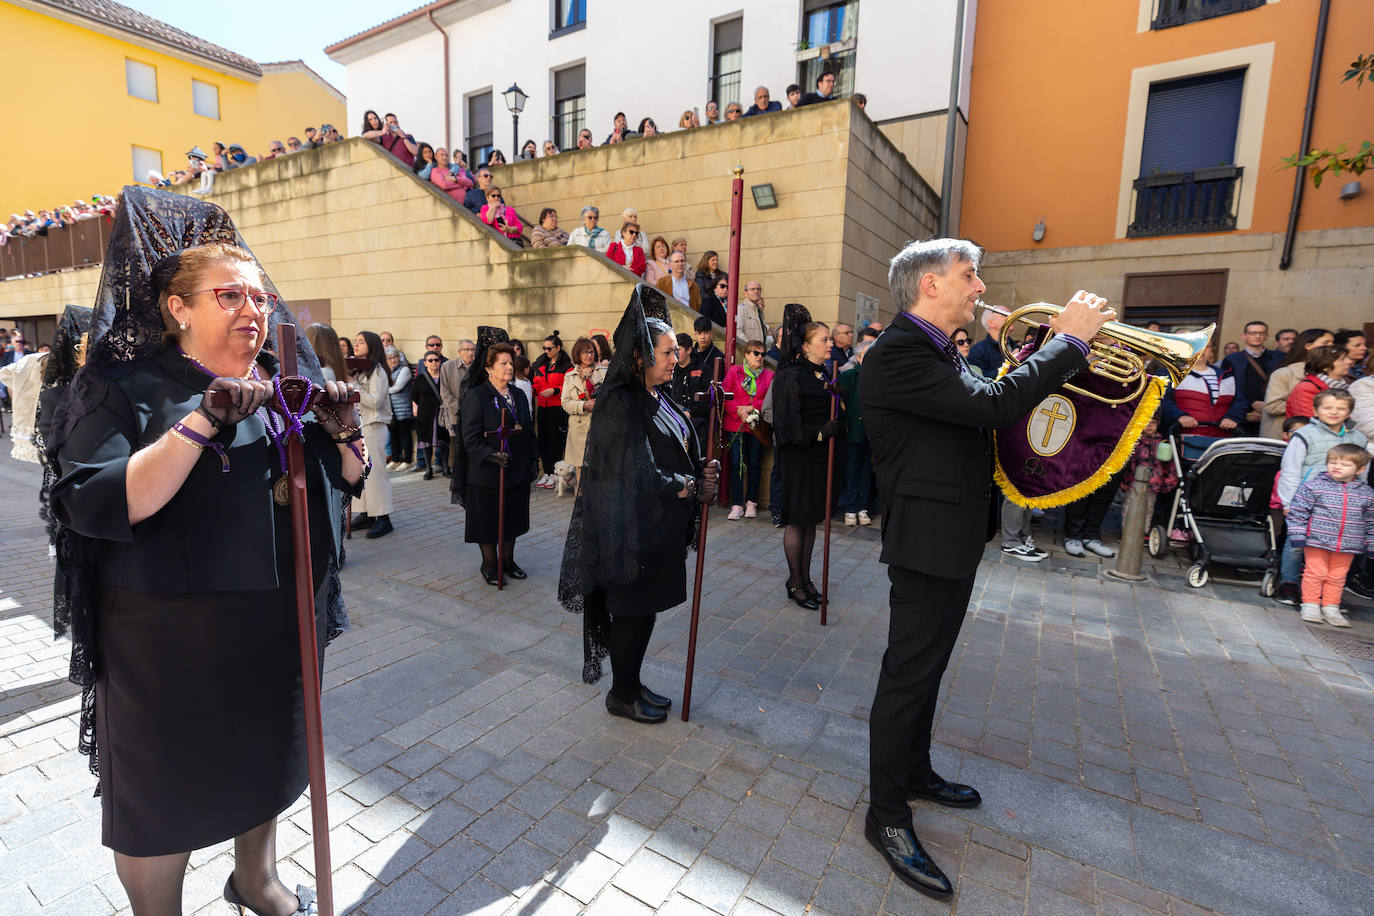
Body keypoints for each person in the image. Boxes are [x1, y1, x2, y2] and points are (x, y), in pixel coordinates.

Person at [47, 195, 364, 915]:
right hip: (168, 644)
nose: (254, 308)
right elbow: (99, 498)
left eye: (258, 294)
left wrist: (346, 434)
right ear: (178, 307)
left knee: (271, 763)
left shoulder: (285, 391)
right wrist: (202, 421)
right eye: (230, 295)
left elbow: (343, 484)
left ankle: (254, 878)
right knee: (165, 793)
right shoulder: (119, 388)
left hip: (277, 630)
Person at [860, 238, 1110, 900]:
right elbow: (992, 407)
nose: (980, 287)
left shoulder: (940, 350)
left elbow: (988, 400)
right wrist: (1070, 343)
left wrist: (1027, 351)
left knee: (928, 668)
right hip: (925, 541)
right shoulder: (899, 353)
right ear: (930, 286)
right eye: (969, 277)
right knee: (907, 675)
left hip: (951, 535)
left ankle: (913, 771)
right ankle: (884, 817)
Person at [557, 285, 718, 723]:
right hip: (626, 530)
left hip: (655, 528)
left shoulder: (658, 395)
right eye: (666, 352)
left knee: (644, 613)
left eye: (673, 351)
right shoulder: (619, 401)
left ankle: (631, 682)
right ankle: (621, 695)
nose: (675, 358)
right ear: (640, 356)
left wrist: (701, 469)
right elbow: (638, 470)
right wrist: (686, 485)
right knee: (630, 612)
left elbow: (677, 445)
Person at [771, 306, 844, 611]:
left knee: (811, 520)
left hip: (819, 459)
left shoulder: (823, 372)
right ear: (805, 345)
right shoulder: (790, 375)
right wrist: (820, 432)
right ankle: (795, 581)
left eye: (830, 339)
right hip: (799, 458)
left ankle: (807, 578)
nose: (831, 344)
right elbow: (786, 426)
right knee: (798, 521)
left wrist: (837, 398)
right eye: (825, 339)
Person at [453, 331, 536, 585]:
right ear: (489, 367)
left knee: (512, 518)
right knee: (488, 520)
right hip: (486, 472)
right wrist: (490, 454)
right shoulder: (476, 396)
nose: (510, 367)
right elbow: (469, 437)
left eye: (511, 362)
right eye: (504, 363)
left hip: (514, 468)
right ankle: (490, 565)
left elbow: (528, 427)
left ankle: (508, 561)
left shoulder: (519, 394)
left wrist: (530, 455)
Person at [1274, 389, 1369, 607]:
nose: (1333, 412)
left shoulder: (1358, 438)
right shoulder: (1305, 435)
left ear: (1349, 412)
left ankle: (1326, 591)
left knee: (1334, 548)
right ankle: (1289, 582)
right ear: (1316, 410)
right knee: (1297, 542)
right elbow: (1290, 469)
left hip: (1343, 504)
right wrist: (1289, 501)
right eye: (1327, 407)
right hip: (1309, 499)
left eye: (1341, 408)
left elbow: (1362, 472)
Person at [1287, 443, 1374, 626]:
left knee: (1337, 576)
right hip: (1317, 540)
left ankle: (1331, 606)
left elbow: (1371, 521)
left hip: (1349, 544)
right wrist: (1298, 535)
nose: (1337, 467)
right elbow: (1298, 512)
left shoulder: (1367, 494)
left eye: (1345, 464)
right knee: (1315, 573)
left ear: (1360, 469)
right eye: (1333, 462)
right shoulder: (1314, 487)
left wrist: (1371, 543)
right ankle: (1310, 604)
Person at [350, 331, 396, 538]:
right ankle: (368, 513)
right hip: (361, 426)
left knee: (376, 474)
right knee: (361, 472)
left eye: (361, 342)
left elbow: (375, 401)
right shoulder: (361, 369)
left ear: (372, 345)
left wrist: (354, 385)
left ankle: (384, 517)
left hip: (374, 426)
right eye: (356, 341)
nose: (356, 345)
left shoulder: (377, 371)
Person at [723, 339, 773, 519]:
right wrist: (740, 411)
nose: (760, 357)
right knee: (736, 463)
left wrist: (751, 408)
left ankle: (751, 501)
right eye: (756, 353)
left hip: (757, 426)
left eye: (762, 354)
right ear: (746, 354)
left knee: (754, 462)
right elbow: (726, 395)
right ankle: (737, 504)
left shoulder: (768, 375)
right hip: (736, 424)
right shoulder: (735, 371)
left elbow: (769, 399)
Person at [1158, 342, 1245, 438]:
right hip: (1183, 438)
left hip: (1222, 439)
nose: (1201, 350)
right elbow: (1162, 400)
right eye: (1196, 345)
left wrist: (1232, 417)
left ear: (1211, 351)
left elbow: (1240, 401)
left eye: (1206, 346)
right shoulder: (1171, 373)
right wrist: (1179, 416)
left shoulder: (1227, 375)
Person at [1262, 328, 1334, 439]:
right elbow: (1272, 406)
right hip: (1285, 437)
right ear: (1308, 346)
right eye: (1326, 343)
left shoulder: (1331, 375)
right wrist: (1305, 402)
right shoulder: (1284, 373)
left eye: (1332, 343)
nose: (1331, 347)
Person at [1223, 320, 1283, 435]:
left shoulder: (1279, 357)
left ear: (1266, 336)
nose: (1257, 336)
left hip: (1271, 410)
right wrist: (1251, 404)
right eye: (1253, 333)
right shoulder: (1232, 359)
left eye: (1261, 333)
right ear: (1244, 336)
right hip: (1242, 414)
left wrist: (1265, 409)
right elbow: (1228, 388)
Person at [838, 338, 873, 526]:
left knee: (866, 471)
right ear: (859, 357)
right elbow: (842, 406)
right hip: (853, 432)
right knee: (852, 470)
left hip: (871, 434)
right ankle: (850, 507)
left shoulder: (879, 378)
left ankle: (862, 506)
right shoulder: (850, 376)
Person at [532, 331, 572, 488]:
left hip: (557, 408)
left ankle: (555, 475)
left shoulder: (567, 367)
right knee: (543, 441)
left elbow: (569, 387)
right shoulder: (541, 365)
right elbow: (537, 383)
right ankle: (547, 473)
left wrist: (554, 391)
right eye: (544, 348)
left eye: (549, 348)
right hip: (543, 407)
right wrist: (532, 389)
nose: (546, 351)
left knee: (556, 441)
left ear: (558, 348)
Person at [562, 337, 599, 488]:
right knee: (581, 468)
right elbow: (565, 402)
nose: (589, 355)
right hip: (578, 429)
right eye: (585, 352)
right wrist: (584, 405)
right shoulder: (569, 377)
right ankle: (581, 504)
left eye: (591, 352)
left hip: (599, 427)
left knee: (600, 467)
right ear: (578, 354)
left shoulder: (603, 372)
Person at [684, 317, 725, 447]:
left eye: (706, 332)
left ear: (711, 333)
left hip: (706, 408)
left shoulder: (717, 356)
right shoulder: (690, 353)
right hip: (688, 403)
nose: (703, 337)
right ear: (695, 334)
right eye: (699, 333)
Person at [1287, 346, 1353, 419]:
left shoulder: (1348, 383)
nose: (1349, 361)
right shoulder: (1307, 388)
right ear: (1325, 365)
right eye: (1342, 359)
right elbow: (1309, 422)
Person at [412, 345, 448, 478]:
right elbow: (414, 395)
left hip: (442, 415)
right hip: (425, 416)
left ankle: (445, 468)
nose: (434, 363)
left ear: (440, 362)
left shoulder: (445, 377)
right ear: (425, 363)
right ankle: (428, 469)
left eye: (436, 360)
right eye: (430, 360)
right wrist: (415, 407)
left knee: (444, 442)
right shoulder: (420, 378)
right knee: (426, 443)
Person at [385, 346, 414, 472]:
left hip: (403, 409)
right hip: (391, 410)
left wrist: (382, 391)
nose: (394, 360)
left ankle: (407, 460)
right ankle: (395, 459)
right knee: (393, 435)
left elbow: (397, 387)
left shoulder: (405, 370)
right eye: (390, 358)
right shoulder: (387, 372)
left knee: (405, 435)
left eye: (395, 357)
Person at [966, 308, 1005, 378]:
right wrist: (1008, 365)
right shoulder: (977, 351)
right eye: (1004, 314)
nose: (1010, 315)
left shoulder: (1015, 345)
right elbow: (981, 378)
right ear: (991, 323)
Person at [735, 280, 767, 347]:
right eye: (752, 289)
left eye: (758, 289)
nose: (756, 291)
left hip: (760, 352)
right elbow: (737, 331)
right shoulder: (741, 309)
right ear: (746, 293)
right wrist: (750, 347)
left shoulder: (759, 310)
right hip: (749, 352)